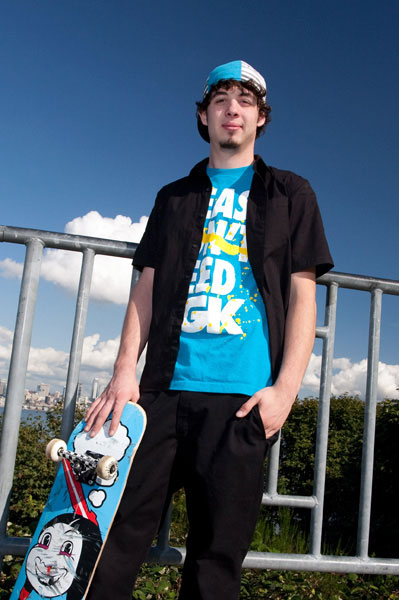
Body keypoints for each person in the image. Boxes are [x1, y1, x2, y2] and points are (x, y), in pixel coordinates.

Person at [84, 60, 333, 600]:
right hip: (160, 394)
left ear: (261, 118)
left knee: (217, 561)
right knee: (111, 539)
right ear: (204, 114)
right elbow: (144, 290)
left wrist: (285, 390)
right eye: (221, 99)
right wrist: (124, 371)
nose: (232, 109)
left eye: (245, 101)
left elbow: (303, 296)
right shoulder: (173, 197)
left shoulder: (292, 193)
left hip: (243, 402)